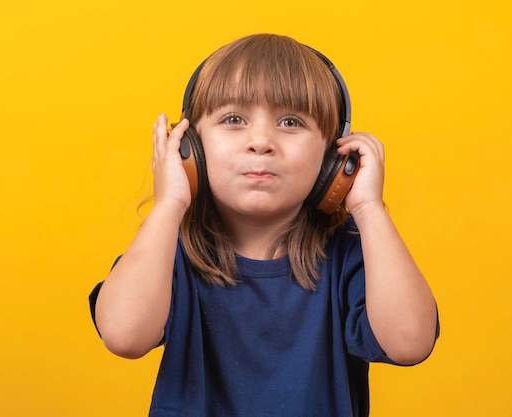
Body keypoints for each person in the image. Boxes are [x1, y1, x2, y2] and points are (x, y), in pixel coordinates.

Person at [89, 33, 439, 416]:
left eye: (290, 122)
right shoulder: (168, 252)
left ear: (332, 159)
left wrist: (370, 208)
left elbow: (410, 343)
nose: (261, 142)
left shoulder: (352, 253)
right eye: (233, 119)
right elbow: (123, 335)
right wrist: (170, 203)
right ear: (191, 149)